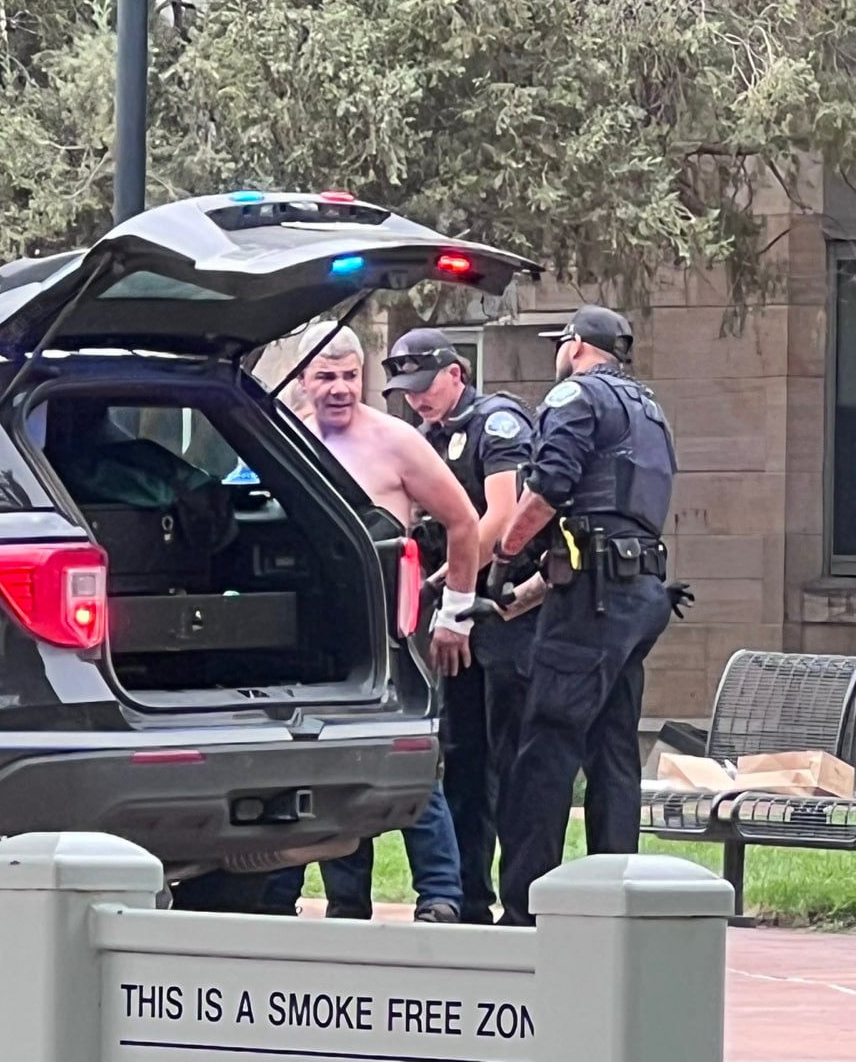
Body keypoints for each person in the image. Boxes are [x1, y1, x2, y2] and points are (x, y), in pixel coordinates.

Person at [262, 321, 480, 922]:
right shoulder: (283, 441)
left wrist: (457, 613)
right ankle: (336, 901)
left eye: (350, 376)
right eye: (325, 376)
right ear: (302, 379)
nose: (338, 388)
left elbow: (464, 522)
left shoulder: (397, 441)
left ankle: (441, 896)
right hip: (310, 635)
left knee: (406, 758)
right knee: (316, 763)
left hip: (390, 630)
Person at [486, 305, 678, 926]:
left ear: (575, 346)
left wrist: (503, 554)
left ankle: (525, 910)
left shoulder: (576, 395)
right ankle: (612, 907)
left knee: (546, 744)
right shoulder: (649, 409)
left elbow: (548, 489)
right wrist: (519, 599)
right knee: (614, 750)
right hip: (638, 593)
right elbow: (604, 528)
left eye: (559, 343)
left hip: (593, 600)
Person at [380, 328, 539, 925]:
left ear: (456, 373)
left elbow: (501, 513)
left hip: (501, 610)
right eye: (407, 390)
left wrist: (449, 577)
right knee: (462, 753)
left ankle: (520, 904)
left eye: (425, 385)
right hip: (453, 612)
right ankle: (471, 896)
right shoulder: (425, 437)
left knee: (509, 758)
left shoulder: (497, 424)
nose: (417, 398)